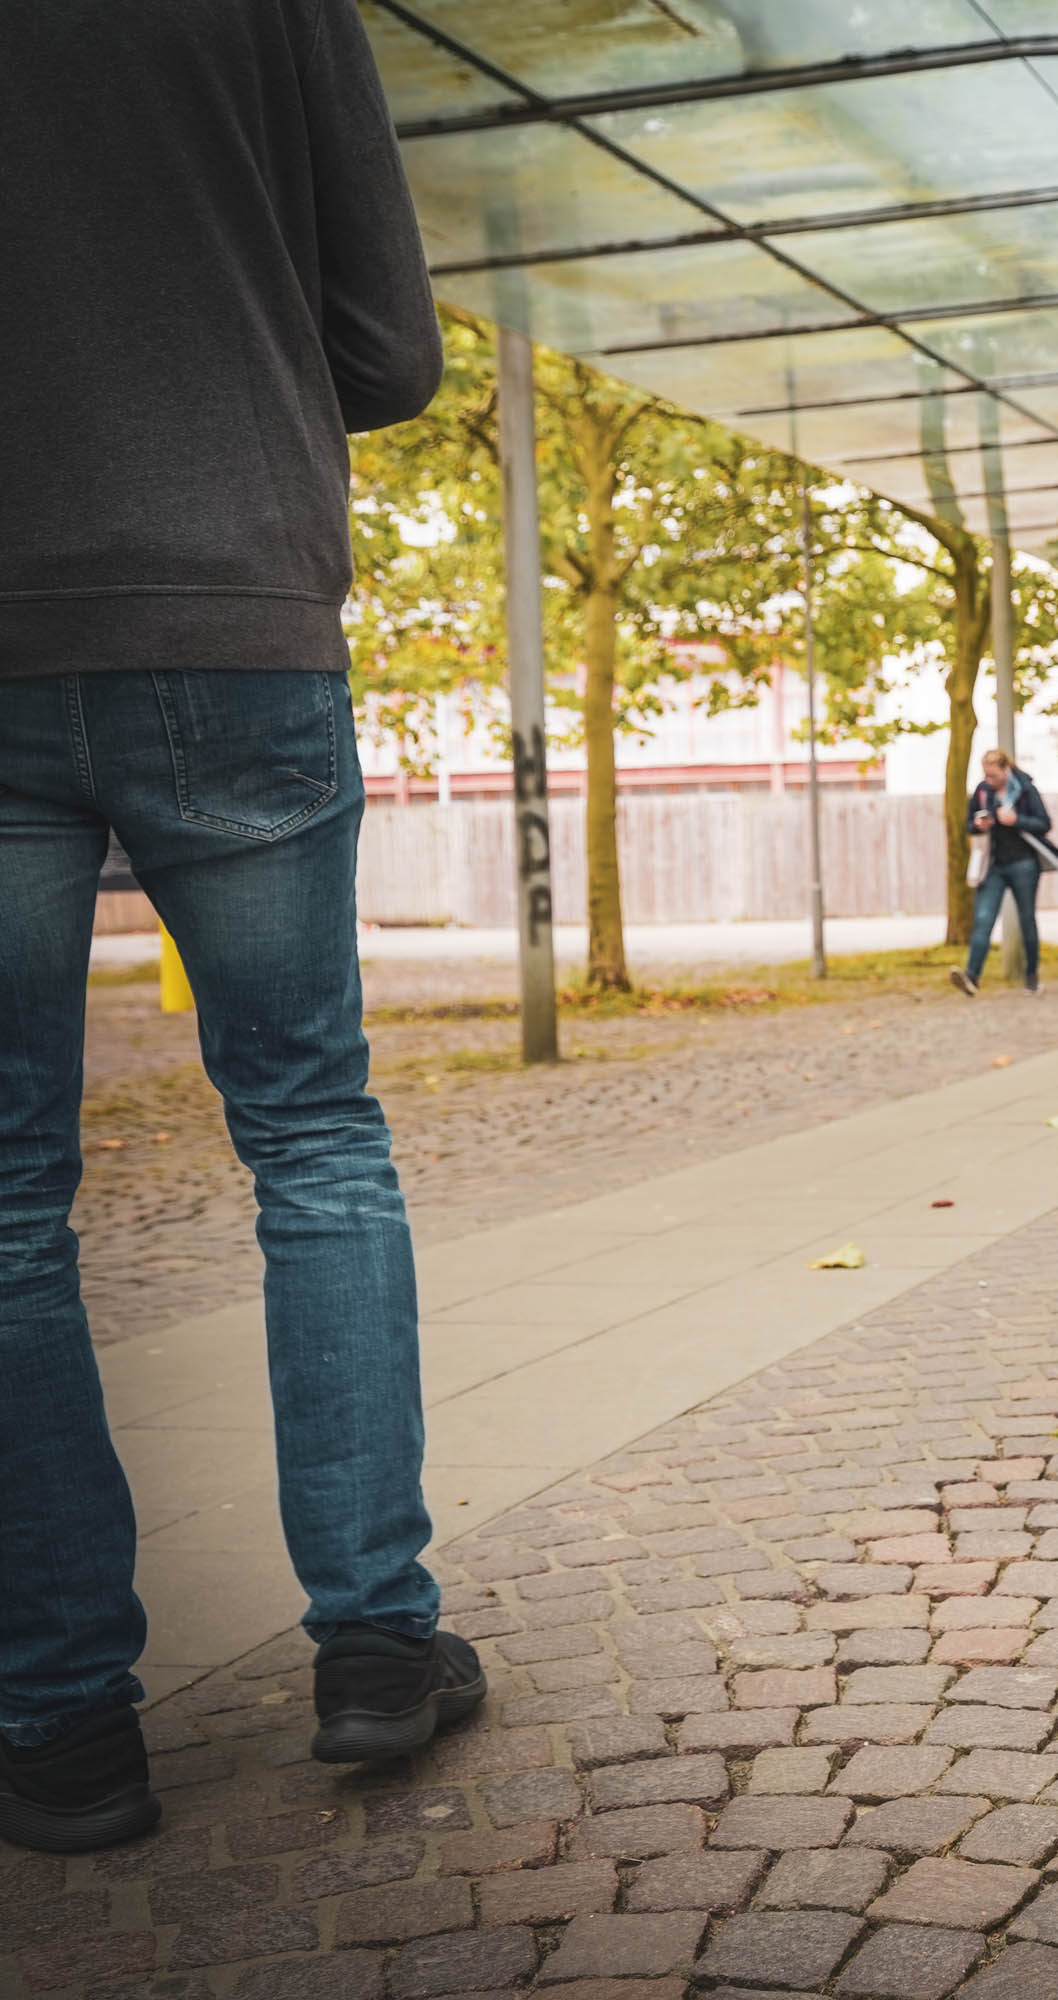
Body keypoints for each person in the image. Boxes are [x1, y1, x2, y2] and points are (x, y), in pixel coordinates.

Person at [0, 0, 483, 1854]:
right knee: (312, 1135)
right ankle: (374, 1643)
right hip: (233, 604)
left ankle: (61, 1725)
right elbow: (389, 347)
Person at [951, 748, 1058, 997]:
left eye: (993, 776)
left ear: (1005, 770)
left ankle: (1031, 977)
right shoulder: (982, 792)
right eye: (986, 775)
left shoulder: (1025, 789)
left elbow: (1044, 823)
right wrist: (978, 825)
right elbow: (969, 824)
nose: (989, 780)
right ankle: (972, 976)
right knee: (983, 919)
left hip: (1024, 863)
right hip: (993, 865)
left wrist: (1016, 820)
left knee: (1026, 920)